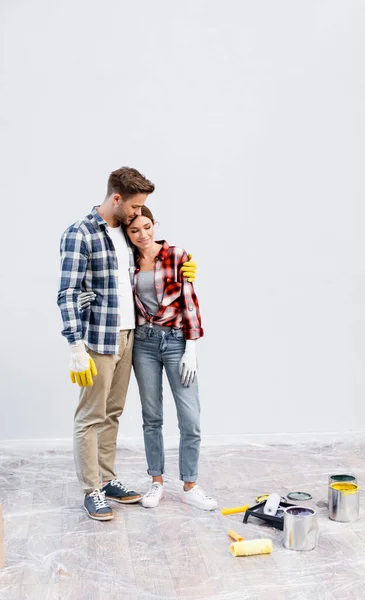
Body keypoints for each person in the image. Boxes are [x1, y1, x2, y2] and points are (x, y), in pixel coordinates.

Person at [57, 167, 197, 521]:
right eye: (134, 207)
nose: (139, 214)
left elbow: (148, 262)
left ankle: (106, 478)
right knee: (91, 415)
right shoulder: (80, 233)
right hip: (99, 339)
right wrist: (75, 346)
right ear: (116, 199)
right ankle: (91, 489)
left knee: (113, 412)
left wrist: (181, 263)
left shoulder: (125, 233)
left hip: (133, 336)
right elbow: (68, 292)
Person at [126, 206, 217, 510]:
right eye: (135, 230)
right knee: (152, 417)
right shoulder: (128, 261)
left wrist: (191, 348)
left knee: (190, 419)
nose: (143, 235)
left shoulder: (176, 255)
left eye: (147, 227)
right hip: (144, 343)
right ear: (127, 233)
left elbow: (189, 303)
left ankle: (190, 485)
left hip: (177, 341)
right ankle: (156, 482)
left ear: (155, 225)